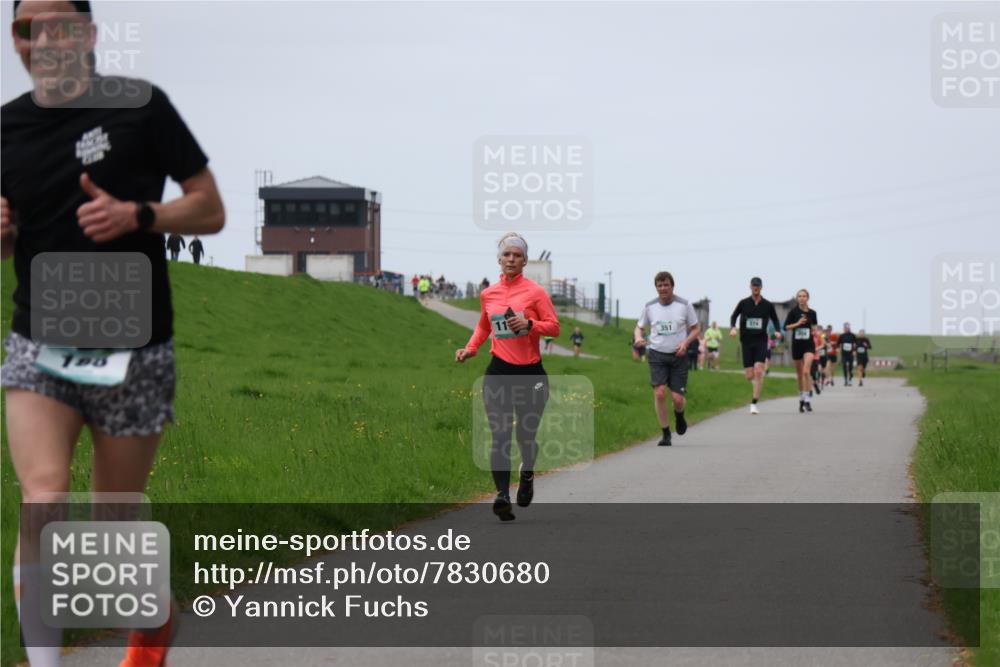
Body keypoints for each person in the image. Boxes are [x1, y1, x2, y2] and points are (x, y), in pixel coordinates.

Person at [1, 2, 225, 665]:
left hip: (135, 346)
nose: (44, 39)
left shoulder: (141, 108)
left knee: (110, 537)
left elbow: (209, 208)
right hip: (39, 343)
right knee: (42, 497)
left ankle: (152, 621)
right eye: (26, 27)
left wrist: (141, 213)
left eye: (60, 25)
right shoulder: (5, 127)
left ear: (89, 35)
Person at [455, 233, 559, 521]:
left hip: (531, 374)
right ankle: (502, 496)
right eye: (506, 255)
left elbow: (554, 327)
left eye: (516, 255)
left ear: (525, 260)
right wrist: (471, 348)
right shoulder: (489, 294)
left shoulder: (536, 292)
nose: (511, 259)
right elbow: (483, 326)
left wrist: (530, 324)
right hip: (499, 371)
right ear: (499, 259)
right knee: (500, 435)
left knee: (525, 436)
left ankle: (526, 475)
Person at [634, 271, 700, 446]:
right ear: (656, 287)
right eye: (659, 285)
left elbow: (695, 328)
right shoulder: (650, 307)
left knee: (678, 399)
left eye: (666, 285)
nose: (663, 288)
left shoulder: (684, 305)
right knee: (660, 392)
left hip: (678, 356)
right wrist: (639, 338)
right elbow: (639, 327)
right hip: (657, 354)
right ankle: (665, 433)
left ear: (672, 286)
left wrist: (685, 344)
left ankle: (679, 416)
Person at [730, 277, 782, 414]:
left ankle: (754, 403)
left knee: (759, 370)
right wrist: (733, 328)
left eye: (758, 286)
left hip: (761, 340)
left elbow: (775, 319)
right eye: (754, 285)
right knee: (749, 375)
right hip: (746, 341)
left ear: (761, 287)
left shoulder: (767, 305)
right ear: (750, 286)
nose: (755, 287)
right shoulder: (743, 303)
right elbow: (734, 316)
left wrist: (777, 331)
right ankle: (756, 382)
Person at [784, 289, 819, 413]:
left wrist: (815, 331)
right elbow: (786, 327)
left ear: (808, 298)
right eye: (799, 296)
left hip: (809, 345)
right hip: (797, 345)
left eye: (804, 296)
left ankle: (808, 400)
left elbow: (814, 328)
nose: (802, 298)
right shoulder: (793, 312)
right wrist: (797, 323)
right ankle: (802, 397)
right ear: (797, 298)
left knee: (806, 371)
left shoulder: (813, 313)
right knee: (799, 375)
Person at [838, 322, 858, 386]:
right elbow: (838, 344)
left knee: (850, 368)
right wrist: (838, 349)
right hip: (844, 354)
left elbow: (855, 344)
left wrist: (854, 351)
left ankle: (850, 380)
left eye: (847, 327)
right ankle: (845, 380)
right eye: (845, 328)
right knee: (844, 366)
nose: (846, 329)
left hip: (850, 353)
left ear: (849, 328)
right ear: (844, 328)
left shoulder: (853, 335)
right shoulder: (841, 336)